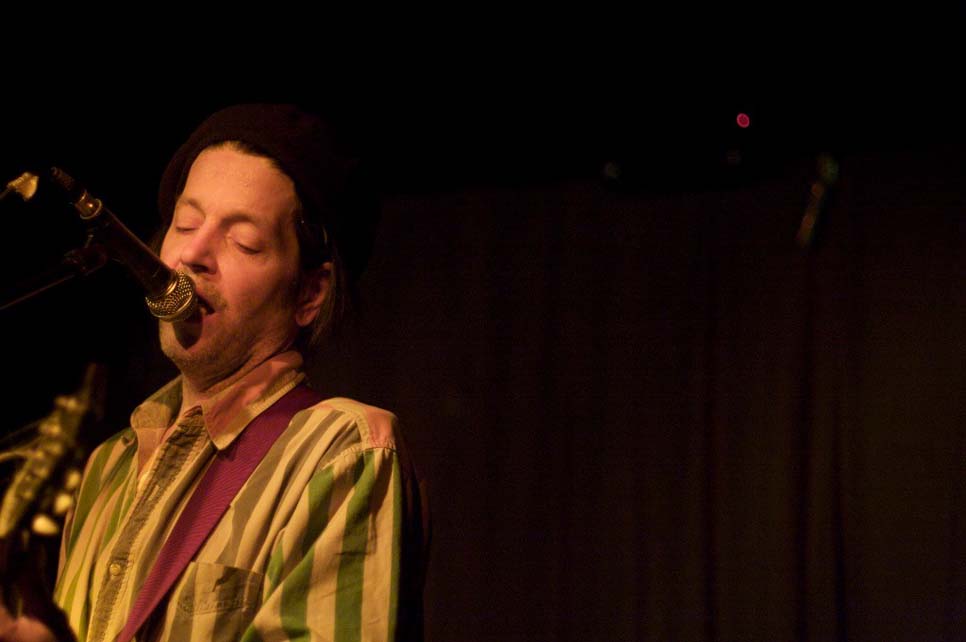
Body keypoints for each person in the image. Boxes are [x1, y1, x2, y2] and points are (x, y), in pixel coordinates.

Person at [0, 103, 428, 642]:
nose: (193, 253)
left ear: (309, 294)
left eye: (243, 241)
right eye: (185, 224)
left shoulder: (342, 452)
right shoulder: (105, 472)